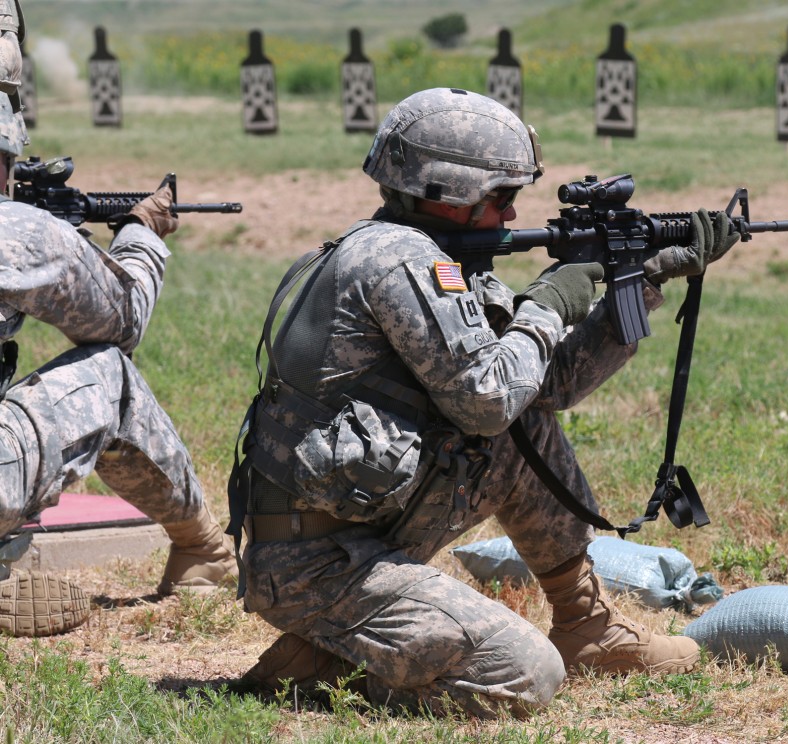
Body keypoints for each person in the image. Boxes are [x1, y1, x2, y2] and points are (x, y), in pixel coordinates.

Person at [230, 87, 738, 717]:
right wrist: (547, 305)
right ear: (445, 190)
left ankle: (586, 625)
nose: (509, 214)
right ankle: (320, 666)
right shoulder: (398, 262)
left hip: (370, 530)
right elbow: (486, 400)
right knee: (526, 677)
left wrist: (644, 279)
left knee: (528, 428)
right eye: (500, 198)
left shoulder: (442, 259)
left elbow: (546, 387)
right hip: (317, 563)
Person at [0, 17, 236, 636]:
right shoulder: (19, 231)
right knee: (109, 376)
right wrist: (140, 234)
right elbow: (120, 318)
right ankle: (203, 551)